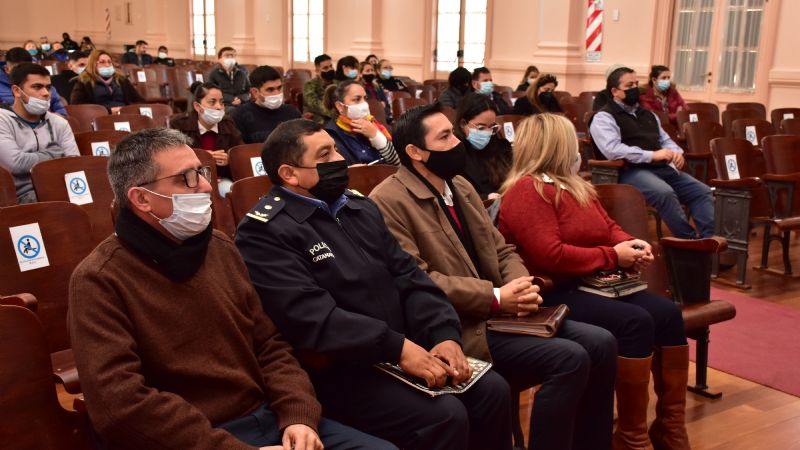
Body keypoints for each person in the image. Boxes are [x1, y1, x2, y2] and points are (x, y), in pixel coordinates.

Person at [68, 127, 396, 450]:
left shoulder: (219, 246)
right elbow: (120, 404)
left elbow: (269, 344)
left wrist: (298, 415)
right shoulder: (99, 279)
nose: (206, 186)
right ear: (142, 198)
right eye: (186, 178)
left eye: (202, 172)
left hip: (270, 418)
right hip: (193, 438)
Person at [235, 118, 513, 450]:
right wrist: (398, 348)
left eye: (336, 149)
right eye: (325, 155)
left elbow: (411, 278)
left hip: (399, 348)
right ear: (289, 174)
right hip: (342, 370)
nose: (339, 159)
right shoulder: (265, 231)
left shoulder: (359, 207)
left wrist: (443, 334)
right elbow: (314, 318)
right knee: (443, 415)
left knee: (492, 391)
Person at [370, 103, 617, 450]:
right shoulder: (388, 201)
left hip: (502, 315)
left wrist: (522, 286)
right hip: (457, 326)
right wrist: (497, 298)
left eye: (454, 133)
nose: (457, 142)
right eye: (445, 137)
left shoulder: (460, 186)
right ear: (415, 152)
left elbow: (502, 250)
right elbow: (418, 279)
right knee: (569, 358)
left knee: (602, 342)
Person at [499, 113, 692, 450]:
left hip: (592, 281)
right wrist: (614, 256)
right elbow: (551, 255)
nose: (578, 147)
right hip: (553, 291)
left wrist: (632, 243)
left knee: (668, 314)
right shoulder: (527, 189)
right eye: (572, 140)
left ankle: (669, 427)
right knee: (635, 322)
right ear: (556, 146)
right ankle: (632, 436)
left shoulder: (574, 185)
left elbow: (608, 228)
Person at [589, 67, 714, 239]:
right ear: (615, 91)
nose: (635, 88)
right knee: (664, 193)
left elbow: (664, 139)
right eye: (629, 85)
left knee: (702, 192)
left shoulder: (648, 114)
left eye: (636, 84)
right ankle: (688, 241)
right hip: (630, 171)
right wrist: (651, 155)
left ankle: (708, 240)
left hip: (661, 168)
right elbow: (612, 150)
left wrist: (676, 152)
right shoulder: (604, 117)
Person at [0, 63, 79, 203]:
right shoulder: (3, 120)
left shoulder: (59, 123)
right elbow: (16, 164)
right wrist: (55, 154)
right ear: (17, 91)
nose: (46, 93)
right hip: (20, 196)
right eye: (37, 87)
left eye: (48, 87)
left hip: (62, 189)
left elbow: (73, 163)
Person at [170, 82, 243, 196]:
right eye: (212, 102)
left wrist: (230, 159)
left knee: (232, 192)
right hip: (189, 181)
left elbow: (240, 153)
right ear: (197, 106)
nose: (219, 107)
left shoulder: (228, 123)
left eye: (221, 102)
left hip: (220, 179)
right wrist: (201, 158)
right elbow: (172, 158)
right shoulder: (179, 124)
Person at [322, 80, 399, 166]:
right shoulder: (331, 135)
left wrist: (376, 136)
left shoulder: (372, 125)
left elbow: (397, 163)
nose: (364, 104)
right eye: (357, 99)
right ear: (340, 106)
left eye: (365, 98)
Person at [452, 93, 511, 199]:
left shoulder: (500, 146)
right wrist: (486, 198)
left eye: (491, 127)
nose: (487, 133)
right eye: (481, 128)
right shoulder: (453, 153)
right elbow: (456, 194)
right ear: (463, 123)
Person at [231, 65, 301, 144]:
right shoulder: (240, 115)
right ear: (255, 92)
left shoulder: (292, 112)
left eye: (279, 88)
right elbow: (239, 148)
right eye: (270, 90)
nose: (277, 93)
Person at [71, 49, 144, 113]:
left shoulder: (121, 79)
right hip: (100, 117)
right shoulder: (84, 82)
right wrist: (109, 111)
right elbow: (78, 107)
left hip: (124, 115)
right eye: (102, 62)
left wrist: (128, 110)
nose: (107, 65)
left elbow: (138, 100)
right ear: (93, 64)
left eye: (109, 62)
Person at [0, 47, 67, 115]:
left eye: (26, 68)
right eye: (16, 69)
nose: (21, 72)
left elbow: (61, 111)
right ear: (7, 69)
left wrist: (54, 118)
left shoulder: (44, 84)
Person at [303, 54, 336, 124]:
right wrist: (336, 114)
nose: (330, 69)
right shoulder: (310, 85)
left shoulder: (336, 82)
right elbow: (315, 105)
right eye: (325, 68)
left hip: (334, 116)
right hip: (318, 119)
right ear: (317, 71)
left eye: (331, 66)